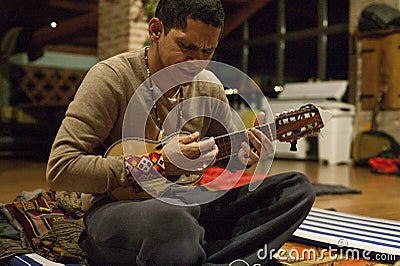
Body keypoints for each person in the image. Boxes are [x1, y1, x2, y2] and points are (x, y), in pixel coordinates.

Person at [46, 0, 315, 264]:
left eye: (207, 51)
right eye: (186, 47)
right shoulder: (111, 78)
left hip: (190, 201)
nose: (196, 62)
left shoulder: (209, 86)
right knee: (172, 221)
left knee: (295, 190)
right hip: (123, 209)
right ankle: (212, 250)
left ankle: (190, 251)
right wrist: (158, 163)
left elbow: (227, 154)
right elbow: (60, 169)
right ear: (156, 30)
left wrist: (245, 154)